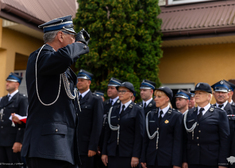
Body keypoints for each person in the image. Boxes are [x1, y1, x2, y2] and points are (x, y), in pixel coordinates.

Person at [21, 15, 89, 168]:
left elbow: (64, 60)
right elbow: (64, 57)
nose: (73, 40)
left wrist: (76, 46)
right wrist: (80, 44)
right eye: (71, 36)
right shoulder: (41, 56)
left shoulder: (56, 62)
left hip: (58, 146)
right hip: (48, 146)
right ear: (60, 35)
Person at [182, 82, 230, 168]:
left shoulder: (219, 113)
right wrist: (184, 160)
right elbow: (185, 139)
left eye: (200, 93)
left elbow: (224, 140)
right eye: (195, 93)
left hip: (211, 159)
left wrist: (223, 162)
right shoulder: (189, 114)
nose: (196, 95)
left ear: (209, 97)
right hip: (192, 159)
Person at [101, 82, 145, 168]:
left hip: (128, 153)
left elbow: (139, 135)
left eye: (123, 91)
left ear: (131, 94)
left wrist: (136, 155)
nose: (120, 93)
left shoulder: (137, 110)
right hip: (112, 152)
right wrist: (104, 152)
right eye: (119, 91)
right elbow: (107, 132)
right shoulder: (113, 109)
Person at [141, 86, 183, 168]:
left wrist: (176, 163)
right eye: (155, 96)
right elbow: (146, 138)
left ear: (167, 99)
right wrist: (143, 158)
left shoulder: (176, 116)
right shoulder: (151, 114)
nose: (155, 99)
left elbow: (178, 141)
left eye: (159, 97)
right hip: (151, 159)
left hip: (167, 160)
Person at [76, 69, 104, 168]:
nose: (79, 82)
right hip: (72, 146)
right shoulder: (73, 98)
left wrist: (93, 146)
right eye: (78, 80)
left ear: (89, 82)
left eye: (82, 80)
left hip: (86, 147)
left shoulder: (95, 100)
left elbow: (97, 125)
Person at [0, 73, 28, 168]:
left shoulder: (22, 99)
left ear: (17, 84)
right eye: (7, 82)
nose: (7, 84)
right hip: (1, 140)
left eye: (10, 82)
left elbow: (23, 122)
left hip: (13, 141)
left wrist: (19, 141)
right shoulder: (3, 99)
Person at [97, 77, 122, 168]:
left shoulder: (121, 105)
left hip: (115, 146)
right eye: (108, 88)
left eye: (112, 88)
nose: (109, 90)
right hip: (103, 144)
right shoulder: (104, 104)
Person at [211, 80, 235, 167]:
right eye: (218, 92)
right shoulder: (208, 111)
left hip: (230, 154)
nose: (220, 94)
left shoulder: (234, 110)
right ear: (213, 94)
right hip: (211, 154)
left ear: (229, 94)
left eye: (223, 92)